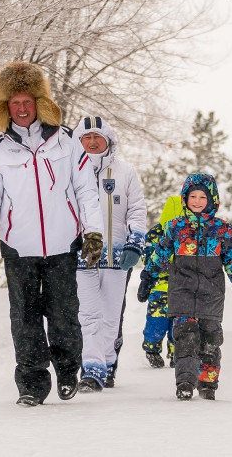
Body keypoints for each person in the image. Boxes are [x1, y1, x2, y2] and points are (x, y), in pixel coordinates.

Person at [0, 61, 104, 407]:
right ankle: (31, 383)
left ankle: (66, 372)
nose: (21, 109)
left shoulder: (67, 143)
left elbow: (86, 191)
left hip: (63, 246)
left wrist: (93, 232)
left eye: (27, 101)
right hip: (19, 248)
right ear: (5, 106)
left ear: (38, 102)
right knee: (25, 320)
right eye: (14, 102)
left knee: (63, 315)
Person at [138, 173, 232, 401]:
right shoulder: (175, 227)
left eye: (203, 197)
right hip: (182, 291)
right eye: (193, 196)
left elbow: (231, 259)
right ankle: (185, 382)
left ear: (213, 200)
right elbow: (161, 255)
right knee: (185, 338)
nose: (198, 201)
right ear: (185, 198)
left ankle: (208, 383)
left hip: (211, 294)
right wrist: (148, 277)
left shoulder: (222, 229)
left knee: (211, 340)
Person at [73, 116, 146, 392]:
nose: (92, 142)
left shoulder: (125, 172)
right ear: (79, 141)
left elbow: (137, 209)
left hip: (117, 257)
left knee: (111, 315)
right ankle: (92, 370)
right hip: (82, 256)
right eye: (86, 137)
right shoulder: (71, 170)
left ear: (108, 141)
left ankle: (107, 361)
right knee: (89, 314)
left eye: (97, 137)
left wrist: (135, 243)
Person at [136, 195, 184, 369]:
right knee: (156, 322)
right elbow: (147, 254)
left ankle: (177, 352)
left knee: (179, 325)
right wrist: (150, 276)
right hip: (160, 287)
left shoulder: (189, 235)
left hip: (182, 289)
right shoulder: (157, 234)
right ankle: (152, 349)